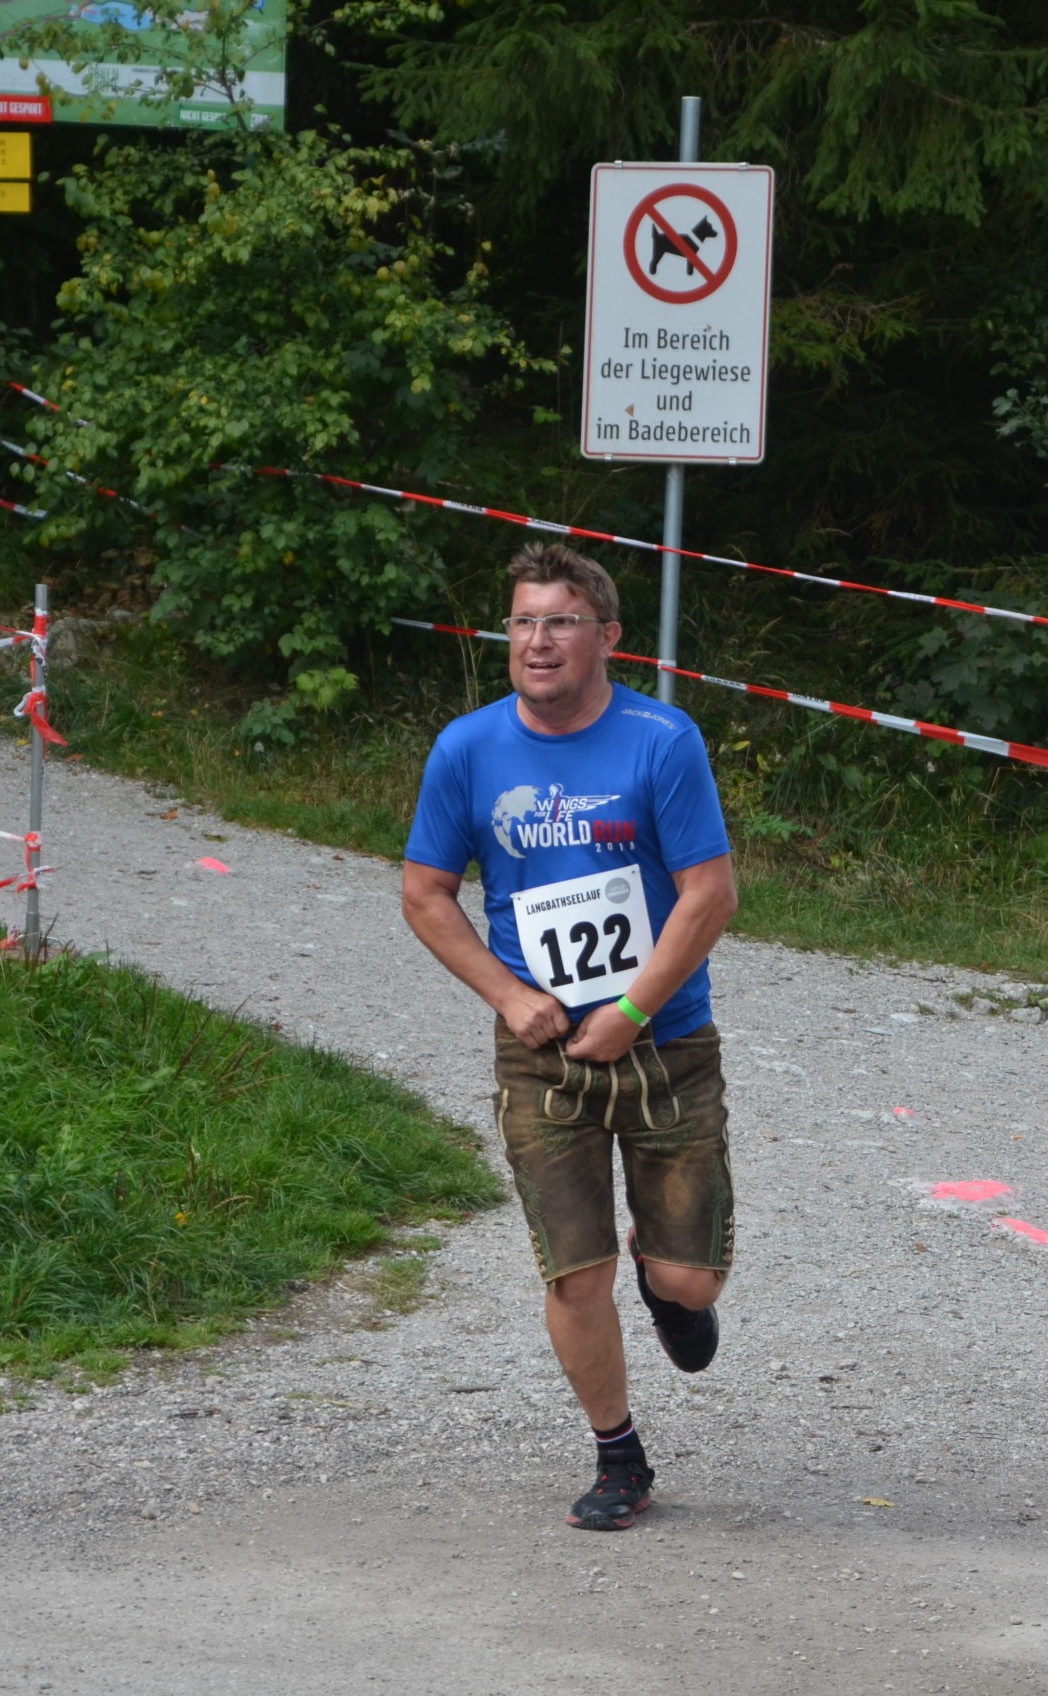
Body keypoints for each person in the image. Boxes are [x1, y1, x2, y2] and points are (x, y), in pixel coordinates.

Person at [400, 542, 739, 1533]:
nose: (537, 641)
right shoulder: (467, 749)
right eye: (522, 622)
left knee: (688, 1276)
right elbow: (425, 894)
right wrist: (510, 997)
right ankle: (618, 1455)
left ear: (607, 636)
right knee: (573, 1268)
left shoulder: (661, 741)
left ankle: (666, 1282)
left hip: (665, 1042)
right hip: (542, 1053)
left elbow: (709, 894)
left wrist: (630, 1012)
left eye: (560, 621)